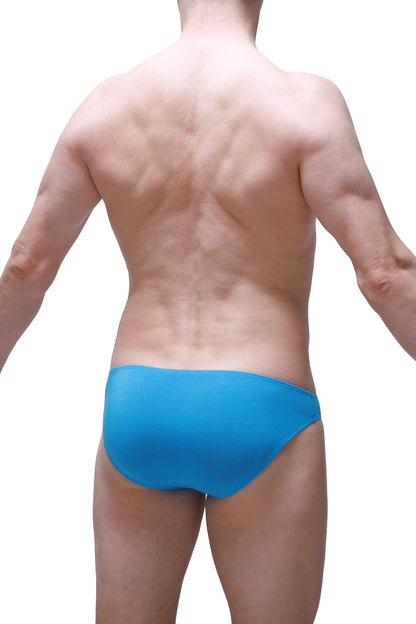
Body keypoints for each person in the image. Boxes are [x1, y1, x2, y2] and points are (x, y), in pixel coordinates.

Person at [0, 0, 415, 621]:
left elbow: (25, 268)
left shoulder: (105, 107)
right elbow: (385, 274)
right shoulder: (303, 104)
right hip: (261, 401)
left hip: (139, 403)